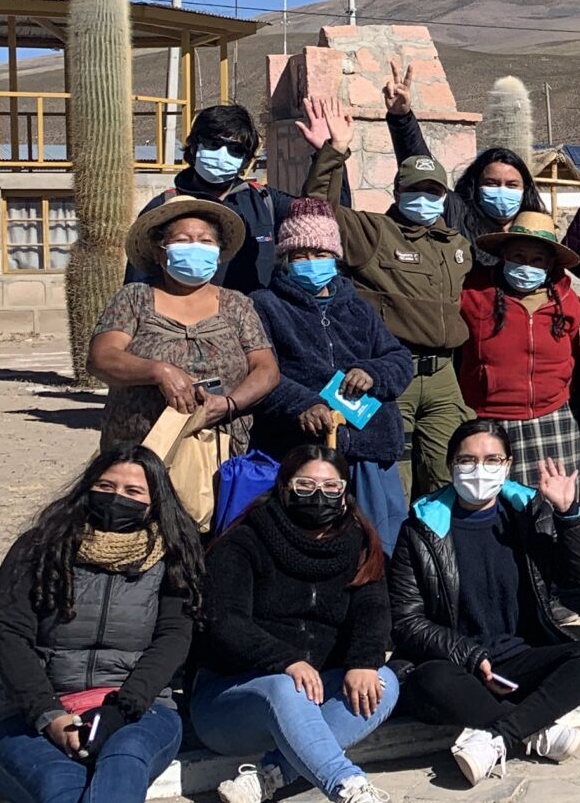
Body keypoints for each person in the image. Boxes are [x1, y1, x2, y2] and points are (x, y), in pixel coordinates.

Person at [0, 447, 200, 803]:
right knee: (57, 778)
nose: (116, 497)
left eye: (133, 491)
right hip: (37, 712)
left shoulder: (173, 557)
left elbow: (172, 640)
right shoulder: (38, 549)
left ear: (154, 501)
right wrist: (50, 716)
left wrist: (122, 709)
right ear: (86, 489)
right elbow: (10, 637)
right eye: (106, 487)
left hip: (136, 707)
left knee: (128, 752)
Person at [192, 445, 401, 803]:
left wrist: (363, 661)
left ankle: (270, 777)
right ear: (285, 488)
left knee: (385, 682)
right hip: (231, 701)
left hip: (313, 693)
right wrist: (285, 660)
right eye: (305, 485)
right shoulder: (244, 542)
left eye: (330, 486)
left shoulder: (357, 543)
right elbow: (223, 622)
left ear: (345, 491)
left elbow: (374, 609)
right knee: (286, 687)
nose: (318, 495)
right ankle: (348, 788)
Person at [387, 422, 580, 784]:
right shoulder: (421, 528)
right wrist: (472, 657)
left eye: (492, 459)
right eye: (468, 460)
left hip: (517, 659)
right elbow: (406, 621)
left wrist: (569, 514)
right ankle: (536, 728)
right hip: (456, 664)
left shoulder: (528, 512)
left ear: (507, 465)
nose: (479, 469)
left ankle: (502, 735)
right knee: (431, 681)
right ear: (450, 464)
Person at [297, 96, 474, 497]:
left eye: (433, 191)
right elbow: (318, 212)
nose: (424, 198)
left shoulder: (456, 244)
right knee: (393, 477)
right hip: (394, 372)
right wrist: (333, 153)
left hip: (445, 377)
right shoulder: (374, 234)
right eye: (415, 190)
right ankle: (396, 557)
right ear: (398, 191)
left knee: (449, 472)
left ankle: (441, 554)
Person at [249, 198, 416, 551]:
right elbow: (260, 373)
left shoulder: (359, 306)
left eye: (320, 254)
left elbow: (399, 360)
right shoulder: (265, 305)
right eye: (301, 256)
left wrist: (372, 373)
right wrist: (302, 403)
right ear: (285, 259)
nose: (312, 263)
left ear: (335, 257)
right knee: (311, 542)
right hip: (305, 453)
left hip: (370, 448)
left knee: (379, 544)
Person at [89, 197, 280, 457]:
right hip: (138, 451)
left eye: (205, 241)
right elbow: (102, 358)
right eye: (182, 240)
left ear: (218, 252)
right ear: (160, 251)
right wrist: (159, 371)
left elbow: (266, 369)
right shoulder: (134, 298)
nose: (195, 248)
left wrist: (228, 404)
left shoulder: (237, 305)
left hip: (219, 450)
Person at [458, 211, 580, 489]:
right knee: (491, 501)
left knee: (553, 504)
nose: (526, 266)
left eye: (536, 260)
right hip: (489, 416)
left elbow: (575, 358)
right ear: (504, 255)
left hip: (552, 416)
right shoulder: (473, 295)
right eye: (518, 257)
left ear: (549, 265)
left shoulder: (567, 302)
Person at [132, 101, 304, 293]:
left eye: (235, 149)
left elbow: (320, 216)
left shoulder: (264, 201)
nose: (222, 154)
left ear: (245, 159)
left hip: (254, 320)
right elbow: (138, 285)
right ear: (195, 145)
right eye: (214, 144)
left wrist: (330, 152)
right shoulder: (164, 209)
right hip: (183, 320)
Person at [378, 67, 545, 254]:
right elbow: (421, 167)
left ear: (526, 188)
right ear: (475, 185)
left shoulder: (537, 226)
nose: (501, 191)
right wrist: (402, 119)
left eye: (512, 185)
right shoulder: (460, 215)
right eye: (491, 183)